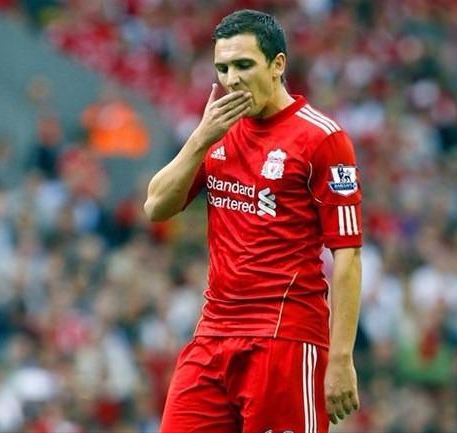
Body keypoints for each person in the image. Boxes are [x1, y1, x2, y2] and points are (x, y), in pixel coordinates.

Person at [144, 9, 362, 433]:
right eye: (223, 68)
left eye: (244, 65)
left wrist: (340, 358)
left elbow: (348, 256)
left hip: (285, 339)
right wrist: (200, 138)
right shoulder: (217, 131)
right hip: (213, 335)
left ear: (277, 65)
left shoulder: (322, 138)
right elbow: (155, 207)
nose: (232, 79)